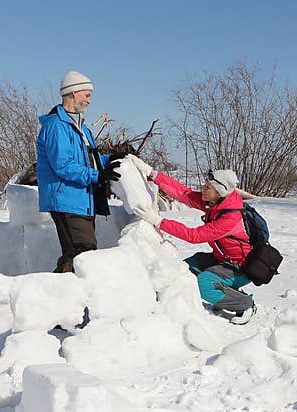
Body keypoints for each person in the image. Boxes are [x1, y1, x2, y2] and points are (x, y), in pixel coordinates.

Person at [127, 155, 257, 324]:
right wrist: (152, 173)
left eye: (208, 186)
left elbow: (194, 236)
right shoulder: (217, 203)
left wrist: (159, 222)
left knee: (203, 284)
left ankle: (244, 304)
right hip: (222, 259)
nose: (203, 188)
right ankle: (227, 292)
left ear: (219, 191)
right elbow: (184, 194)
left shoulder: (230, 217)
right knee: (183, 269)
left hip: (241, 267)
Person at [36, 71, 126, 273]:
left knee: (77, 255)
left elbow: (90, 159)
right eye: (87, 95)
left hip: (82, 199)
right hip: (66, 199)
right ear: (73, 93)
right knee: (82, 253)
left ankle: (57, 297)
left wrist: (110, 159)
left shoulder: (81, 128)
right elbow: (63, 165)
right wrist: (97, 176)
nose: (89, 100)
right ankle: (56, 296)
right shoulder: (56, 126)